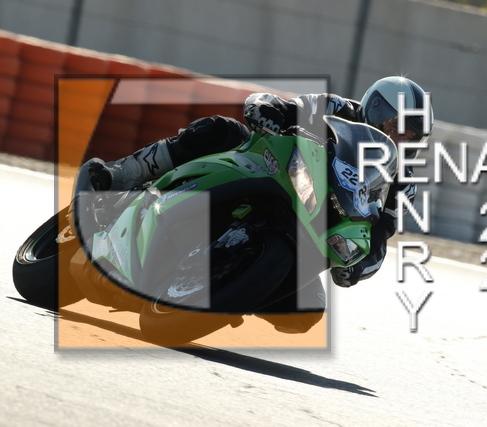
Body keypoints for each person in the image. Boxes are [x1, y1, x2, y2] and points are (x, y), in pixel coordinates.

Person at [86, 76, 433, 332]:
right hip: (273, 170)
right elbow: (281, 105)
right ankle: (121, 176)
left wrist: (359, 265)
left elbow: (381, 236)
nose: (401, 139)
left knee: (307, 312)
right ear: (375, 109)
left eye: (411, 136)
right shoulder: (336, 109)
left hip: (311, 233)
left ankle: (230, 284)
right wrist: (270, 112)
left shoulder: (402, 179)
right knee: (220, 130)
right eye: (396, 126)